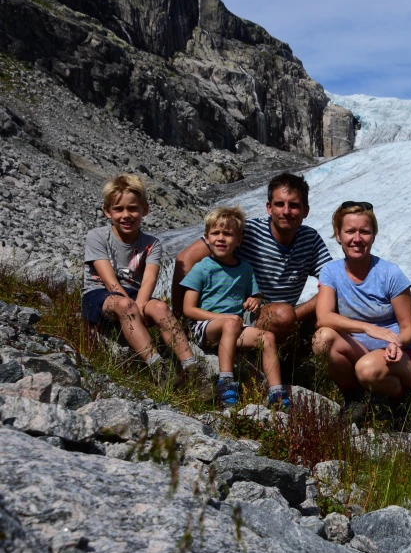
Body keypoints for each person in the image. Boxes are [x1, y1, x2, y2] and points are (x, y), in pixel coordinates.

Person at [172, 173, 331, 341]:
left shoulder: (310, 239)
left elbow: (332, 282)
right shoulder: (248, 232)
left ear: (305, 210)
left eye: (294, 205)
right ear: (269, 208)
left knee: (329, 315)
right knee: (285, 315)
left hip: (286, 313)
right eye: (279, 204)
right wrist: (179, 321)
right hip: (247, 314)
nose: (286, 211)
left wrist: (295, 315)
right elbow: (186, 258)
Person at [313, 201, 411, 422]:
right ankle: (355, 398)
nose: (357, 239)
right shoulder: (330, 272)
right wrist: (368, 328)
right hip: (363, 351)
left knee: (366, 370)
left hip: (402, 355)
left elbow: (408, 328)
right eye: (350, 231)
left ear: (373, 235)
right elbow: (323, 317)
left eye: (364, 232)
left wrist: (397, 343)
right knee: (322, 338)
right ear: (338, 235)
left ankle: (399, 396)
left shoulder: (390, 273)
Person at [82, 174, 197, 383]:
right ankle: (157, 366)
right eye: (118, 209)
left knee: (161, 308)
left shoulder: (152, 243)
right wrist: (135, 308)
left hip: (134, 295)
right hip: (98, 294)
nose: (126, 215)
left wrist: (142, 305)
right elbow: (110, 281)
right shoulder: (96, 236)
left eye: (133, 208)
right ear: (107, 211)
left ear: (145, 209)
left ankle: (192, 368)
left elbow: (149, 279)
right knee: (126, 305)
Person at [180, 206, 288, 408]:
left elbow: (254, 295)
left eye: (228, 234)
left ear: (239, 240)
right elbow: (188, 309)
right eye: (215, 233)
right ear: (207, 237)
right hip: (205, 327)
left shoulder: (245, 269)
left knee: (268, 338)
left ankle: (276, 392)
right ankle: (226, 382)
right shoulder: (202, 267)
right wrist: (221, 319)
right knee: (230, 324)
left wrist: (255, 300)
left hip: (235, 327)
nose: (221, 238)